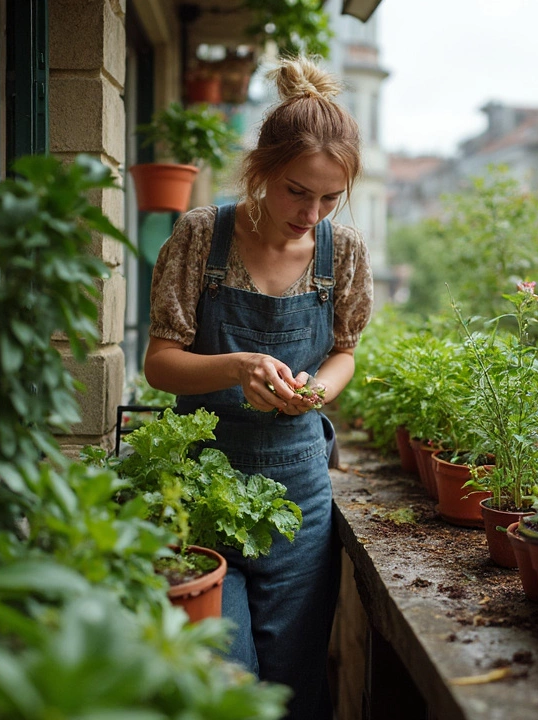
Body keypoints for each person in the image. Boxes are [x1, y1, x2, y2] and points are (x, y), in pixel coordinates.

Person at [143, 55, 372, 719]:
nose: (313, 211)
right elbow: (160, 362)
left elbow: (345, 354)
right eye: (299, 190)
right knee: (222, 673)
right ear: (262, 170)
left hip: (299, 495)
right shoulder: (200, 237)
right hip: (201, 489)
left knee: (296, 680)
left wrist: (318, 390)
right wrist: (237, 367)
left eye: (331, 197)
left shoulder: (343, 254)